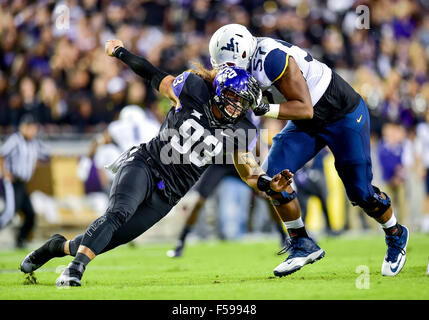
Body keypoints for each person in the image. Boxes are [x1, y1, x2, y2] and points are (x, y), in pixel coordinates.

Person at [20, 39, 293, 287]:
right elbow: (153, 74)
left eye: (243, 103)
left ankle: (55, 247)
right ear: (221, 91)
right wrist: (121, 52)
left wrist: (269, 183)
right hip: (147, 165)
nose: (237, 107)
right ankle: (74, 270)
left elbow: (249, 171)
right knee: (118, 213)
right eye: (234, 99)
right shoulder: (193, 88)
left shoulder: (241, 127)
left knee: (106, 239)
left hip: (168, 195)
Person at [209, 24, 409, 277]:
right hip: (307, 124)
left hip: (342, 114)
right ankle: (302, 243)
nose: (229, 72)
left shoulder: (271, 59)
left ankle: (395, 233)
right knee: (273, 180)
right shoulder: (241, 65)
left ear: (246, 55)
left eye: (232, 66)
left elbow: (305, 108)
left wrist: (263, 108)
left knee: (360, 192)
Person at [167, 163, 287, 258]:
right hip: (221, 163)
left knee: (266, 194)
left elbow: (253, 144)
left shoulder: (249, 132)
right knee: (199, 201)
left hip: (241, 161)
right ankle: (181, 242)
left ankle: (283, 237)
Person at [0, 114, 50, 248]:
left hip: (23, 184)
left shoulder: (34, 143)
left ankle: (20, 240)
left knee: (30, 214)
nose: (32, 131)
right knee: (10, 212)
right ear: (23, 127)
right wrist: (5, 173)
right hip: (12, 181)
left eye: (33, 128)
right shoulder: (15, 140)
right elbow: (2, 154)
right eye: (29, 128)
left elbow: (46, 154)